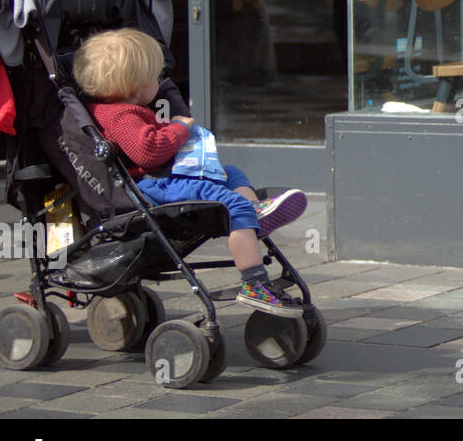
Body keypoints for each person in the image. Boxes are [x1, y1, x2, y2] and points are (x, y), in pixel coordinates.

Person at [72, 28, 307, 317]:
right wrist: (180, 128)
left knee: (229, 173)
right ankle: (254, 283)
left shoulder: (128, 109)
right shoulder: (120, 116)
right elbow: (148, 151)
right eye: (153, 77)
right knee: (229, 202)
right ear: (134, 86)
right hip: (153, 186)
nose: (158, 82)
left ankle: (255, 211)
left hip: (166, 177)